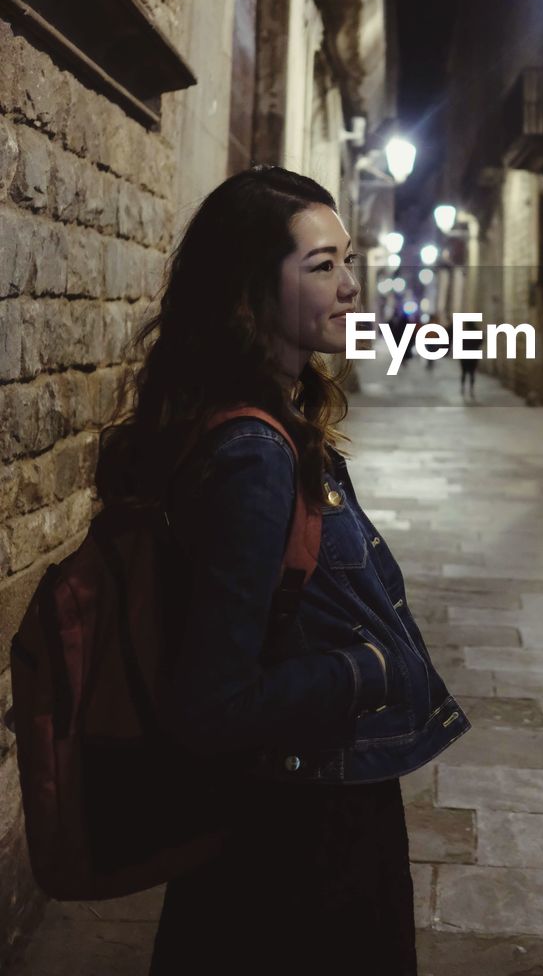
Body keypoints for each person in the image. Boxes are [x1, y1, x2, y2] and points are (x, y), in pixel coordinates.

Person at [95, 166, 470, 975]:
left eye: (347, 260)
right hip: (299, 841)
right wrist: (364, 668)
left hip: (295, 813)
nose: (350, 285)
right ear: (249, 293)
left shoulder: (264, 424)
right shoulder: (252, 455)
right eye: (322, 266)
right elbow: (212, 701)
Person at [459, 331, 484, 399]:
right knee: (472, 373)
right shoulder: (477, 332)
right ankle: (471, 388)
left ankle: (463, 387)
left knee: (464, 372)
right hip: (473, 355)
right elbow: (481, 341)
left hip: (464, 355)